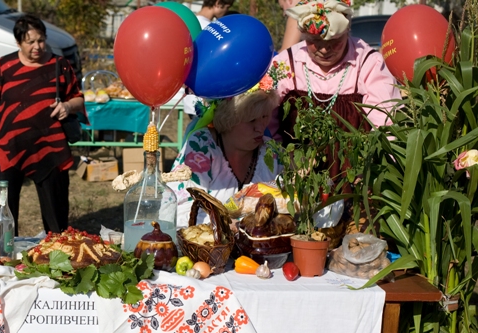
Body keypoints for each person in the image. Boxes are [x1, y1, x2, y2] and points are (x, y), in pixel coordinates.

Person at [269, 0, 400, 183]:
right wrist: (284, 157)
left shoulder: (368, 63)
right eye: (314, 41)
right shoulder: (286, 63)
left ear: (347, 31)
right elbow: (265, 122)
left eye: (334, 41)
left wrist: (372, 167)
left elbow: (387, 124)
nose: (324, 49)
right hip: (296, 179)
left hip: (354, 181)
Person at [0, 14, 85, 234]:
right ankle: (4, 257)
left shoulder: (59, 65)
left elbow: (78, 98)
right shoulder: (4, 66)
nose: (37, 47)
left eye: (41, 40)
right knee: (3, 213)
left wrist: (67, 106)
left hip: (49, 149)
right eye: (30, 42)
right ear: (18, 42)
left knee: (56, 216)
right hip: (8, 149)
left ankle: (58, 255)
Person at [169, 68, 286, 228]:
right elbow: (181, 210)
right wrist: (226, 226)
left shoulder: (271, 152)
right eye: (251, 120)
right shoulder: (202, 146)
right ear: (228, 119)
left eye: (265, 116)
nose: (261, 128)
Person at [183, 0, 235, 117]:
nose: (226, 11)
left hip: (189, 98)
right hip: (205, 99)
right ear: (217, 3)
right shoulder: (212, 29)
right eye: (226, 7)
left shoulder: (188, 23)